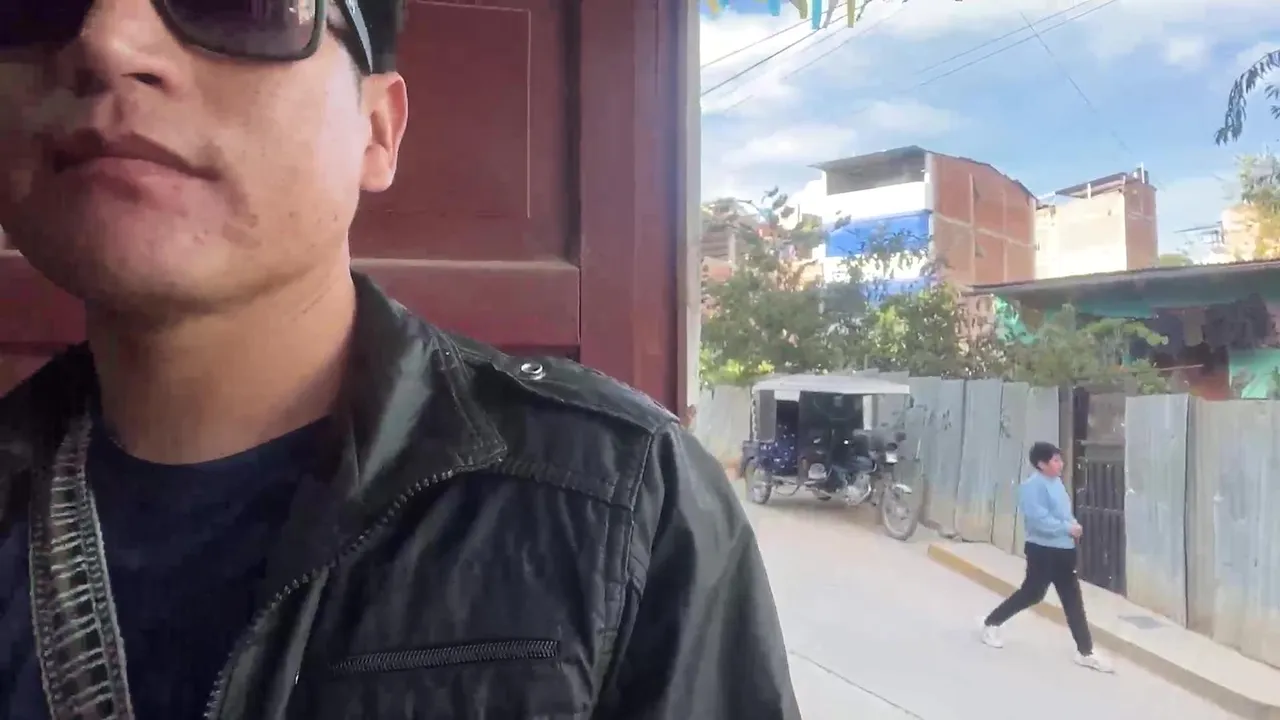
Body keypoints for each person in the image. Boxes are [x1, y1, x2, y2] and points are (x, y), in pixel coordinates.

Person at [0, 1, 801, 718]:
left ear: (377, 131)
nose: (103, 41)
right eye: (34, 7)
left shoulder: (628, 500)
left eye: (235, 5)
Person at [979, 441, 1113, 673]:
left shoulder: (1057, 483)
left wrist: (1073, 525)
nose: (1061, 464)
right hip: (1042, 550)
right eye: (1055, 460)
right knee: (1032, 593)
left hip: (1064, 551)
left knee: (1072, 599)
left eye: (1060, 459)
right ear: (1041, 464)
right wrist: (1067, 528)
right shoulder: (1032, 487)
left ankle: (1085, 651)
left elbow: (1063, 513)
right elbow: (1038, 520)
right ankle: (991, 623)